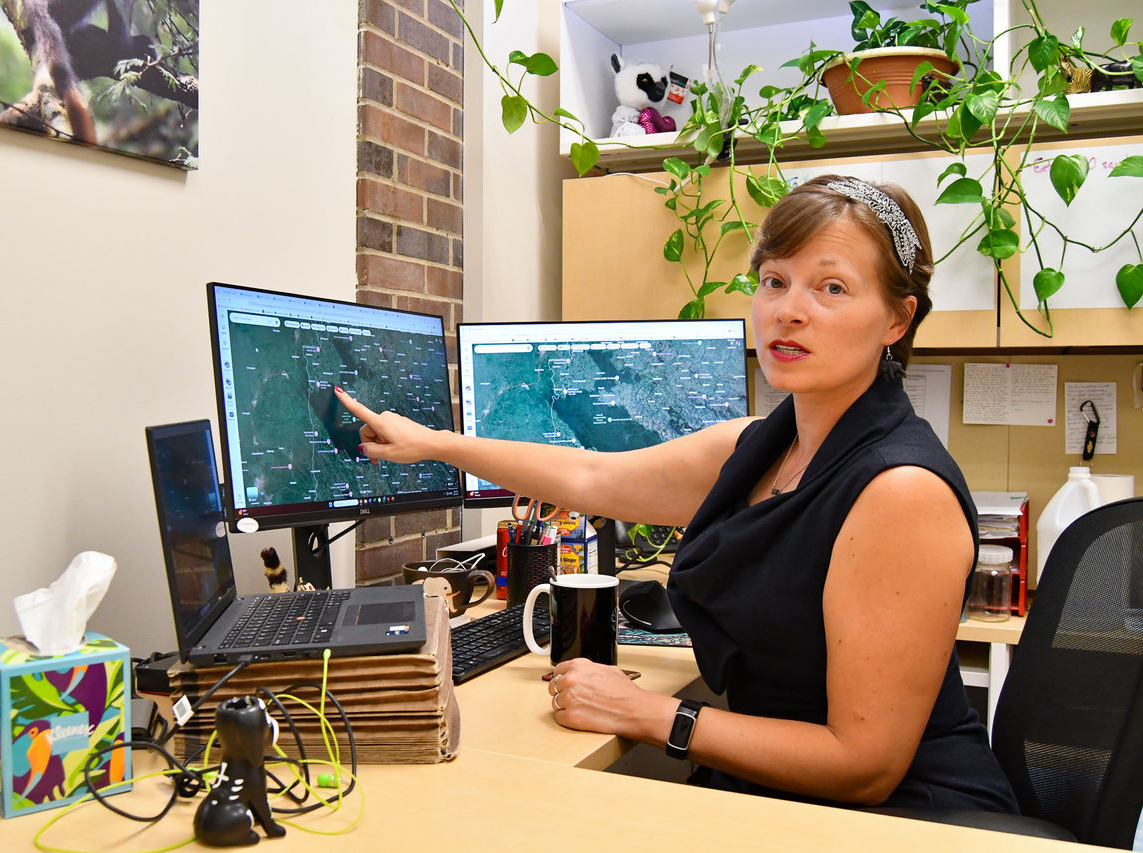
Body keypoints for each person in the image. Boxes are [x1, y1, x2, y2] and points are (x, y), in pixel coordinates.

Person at [333, 174, 1019, 813]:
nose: (789, 311)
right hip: (779, 798)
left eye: (831, 288)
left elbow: (863, 764)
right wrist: (436, 442)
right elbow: (593, 477)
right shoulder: (761, 446)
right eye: (774, 281)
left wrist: (651, 714)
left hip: (906, 820)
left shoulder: (901, 492)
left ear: (897, 319)